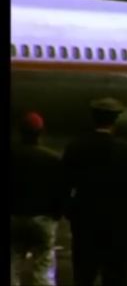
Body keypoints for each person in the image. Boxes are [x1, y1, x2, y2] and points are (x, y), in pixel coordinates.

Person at [62, 97, 127, 286]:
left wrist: (71, 212)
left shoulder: (76, 147)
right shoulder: (125, 151)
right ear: (115, 120)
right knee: (116, 277)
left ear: (93, 118)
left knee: (83, 276)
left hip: (85, 224)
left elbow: (64, 185)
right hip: (117, 227)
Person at [11, 112, 64, 286]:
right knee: (43, 268)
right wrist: (56, 215)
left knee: (12, 266)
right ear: (41, 132)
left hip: (14, 217)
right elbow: (60, 191)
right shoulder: (53, 159)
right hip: (43, 219)